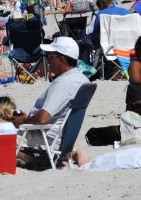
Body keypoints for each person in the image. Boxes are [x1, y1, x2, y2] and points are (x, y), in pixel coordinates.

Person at [13, 37, 88, 168]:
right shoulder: (81, 79)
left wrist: (22, 122)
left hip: (44, 135)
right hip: (64, 138)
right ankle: (75, 152)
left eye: (50, 56)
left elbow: (43, 118)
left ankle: (30, 159)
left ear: (62, 59)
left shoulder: (63, 83)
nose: (47, 59)